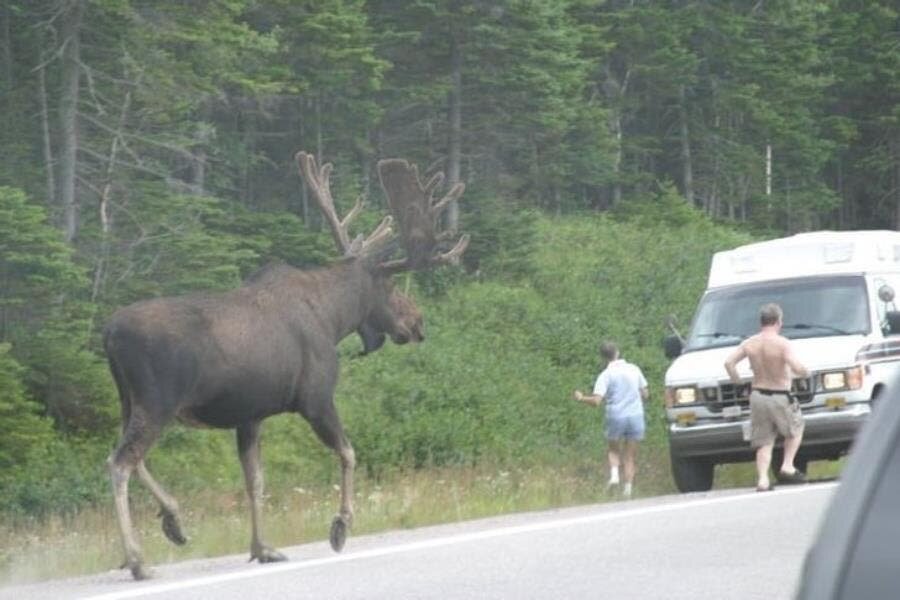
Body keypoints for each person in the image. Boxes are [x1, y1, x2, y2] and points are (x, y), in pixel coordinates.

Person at [724, 302, 810, 492]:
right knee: (795, 428)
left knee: (764, 440)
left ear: (761, 321)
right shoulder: (782, 344)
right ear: (779, 321)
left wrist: (737, 382)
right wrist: (805, 372)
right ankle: (788, 465)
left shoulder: (750, 343)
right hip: (780, 394)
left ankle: (763, 479)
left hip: (757, 395)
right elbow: (796, 367)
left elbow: (729, 363)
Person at [574, 341, 649, 498]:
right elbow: (645, 394)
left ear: (603, 357)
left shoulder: (606, 375)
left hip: (616, 415)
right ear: (618, 352)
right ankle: (627, 490)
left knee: (613, 450)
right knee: (630, 456)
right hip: (635, 416)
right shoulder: (634, 369)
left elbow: (596, 401)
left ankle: (614, 476)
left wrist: (581, 398)